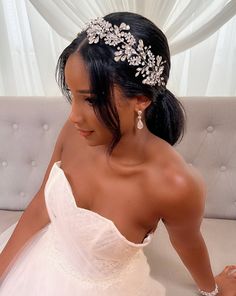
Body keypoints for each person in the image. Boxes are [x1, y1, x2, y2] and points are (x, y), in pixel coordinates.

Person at [0, 11, 235, 296]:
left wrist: (213, 289)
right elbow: (40, 206)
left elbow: (188, 243)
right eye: (72, 95)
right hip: (37, 264)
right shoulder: (74, 132)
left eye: (90, 99)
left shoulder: (176, 184)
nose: (73, 116)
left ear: (141, 99)